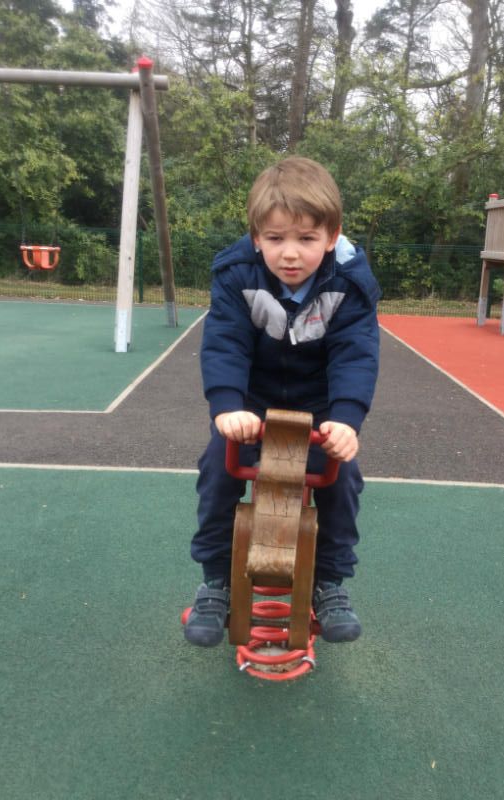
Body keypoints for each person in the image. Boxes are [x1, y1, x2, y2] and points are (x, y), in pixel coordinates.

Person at [184, 156, 380, 647]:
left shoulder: (349, 284)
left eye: (306, 239)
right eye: (275, 239)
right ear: (256, 238)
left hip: (319, 409)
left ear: (332, 236)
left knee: (343, 479)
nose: (290, 254)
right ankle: (216, 580)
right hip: (252, 407)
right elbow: (225, 342)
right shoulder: (237, 275)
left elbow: (355, 354)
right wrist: (228, 406)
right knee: (217, 470)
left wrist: (346, 419)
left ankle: (329, 582)